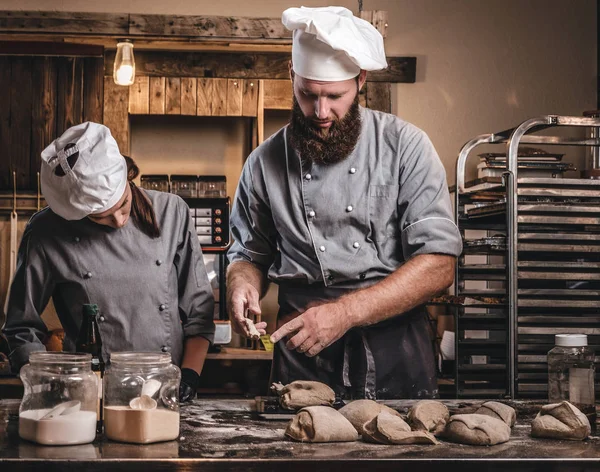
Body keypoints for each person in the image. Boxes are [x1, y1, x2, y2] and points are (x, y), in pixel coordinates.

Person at [226, 6, 463, 400]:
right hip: (304, 353)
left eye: (335, 97)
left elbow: (439, 264)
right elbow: (249, 254)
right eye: (307, 95)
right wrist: (242, 286)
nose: (320, 113)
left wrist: (345, 313)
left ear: (361, 81)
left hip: (394, 350)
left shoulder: (405, 147)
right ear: (292, 76)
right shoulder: (264, 162)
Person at [2, 122, 215, 402]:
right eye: (100, 217)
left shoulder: (172, 211)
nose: (117, 221)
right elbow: (20, 326)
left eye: (123, 204)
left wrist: (189, 376)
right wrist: (50, 384)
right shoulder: (45, 232)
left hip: (166, 392)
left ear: (128, 177)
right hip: (90, 395)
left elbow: (199, 312)